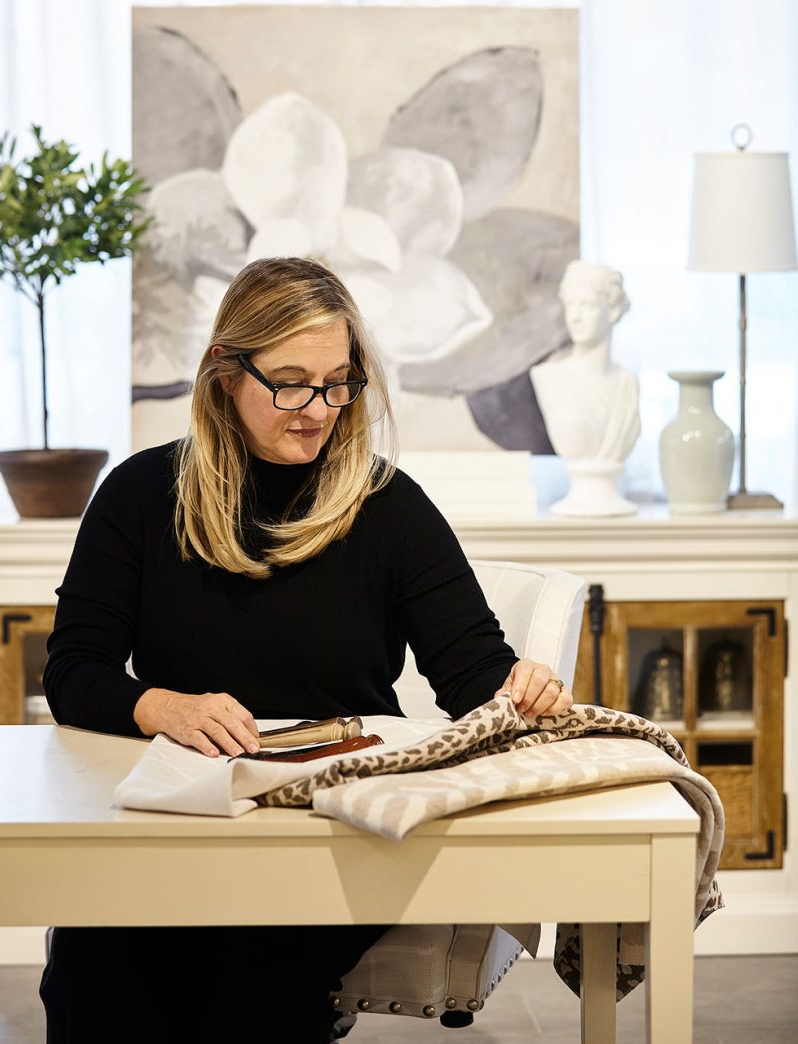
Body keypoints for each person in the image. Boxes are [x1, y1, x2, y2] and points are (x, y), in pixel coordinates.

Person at [39, 256, 573, 1043]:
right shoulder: (140, 496)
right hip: (182, 827)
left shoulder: (388, 507)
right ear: (225, 373)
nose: (317, 409)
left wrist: (521, 687)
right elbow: (73, 672)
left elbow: (472, 676)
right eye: (289, 382)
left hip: (332, 838)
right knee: (97, 964)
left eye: (337, 382)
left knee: (243, 977)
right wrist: (162, 707)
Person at [530, 259, 640, 464]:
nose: (575, 317)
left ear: (613, 311)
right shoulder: (549, 378)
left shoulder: (627, 382)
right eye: (570, 305)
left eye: (587, 305)